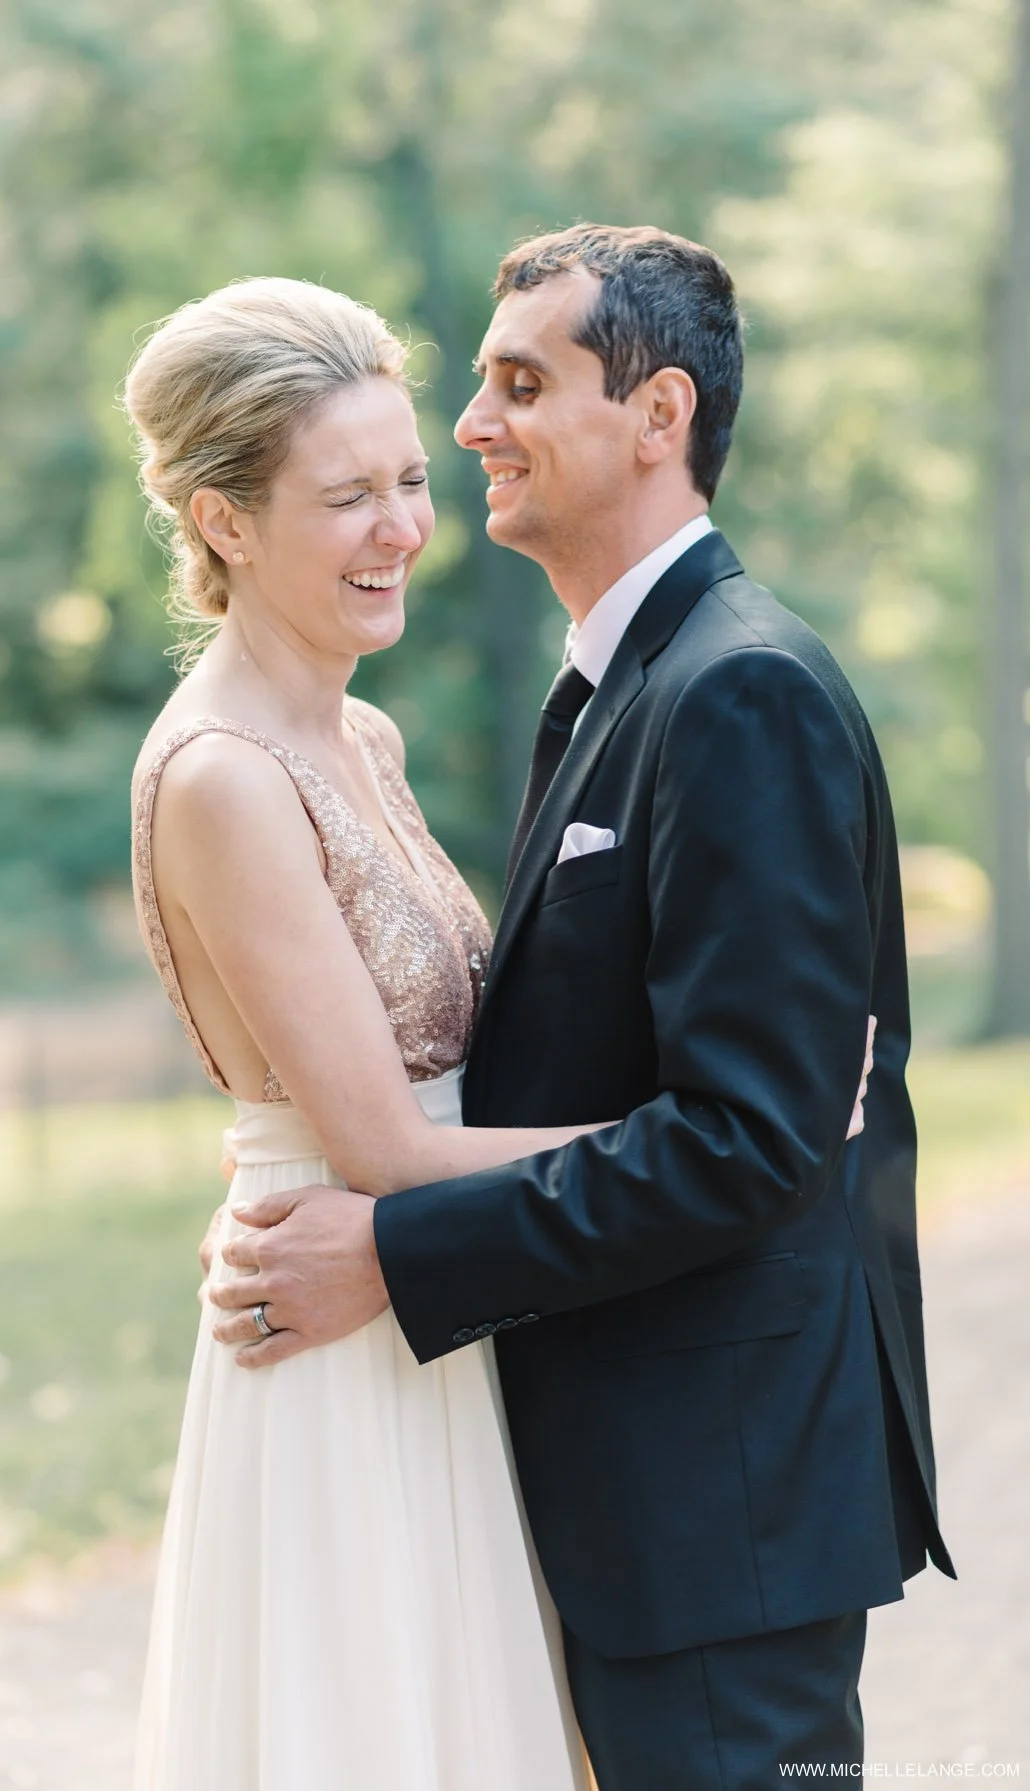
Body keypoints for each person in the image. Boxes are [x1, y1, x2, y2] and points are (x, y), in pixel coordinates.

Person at [209, 227, 948, 1790]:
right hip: (633, 1489)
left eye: (521, 383)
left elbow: (751, 1145)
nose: (470, 427)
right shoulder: (620, 684)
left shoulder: (739, 691)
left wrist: (395, 1253)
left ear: (655, 415)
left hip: (717, 1507)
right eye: (479, 385)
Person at [126, 274, 602, 1790]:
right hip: (338, 1339)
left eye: (408, 480)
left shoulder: (361, 735)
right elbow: (385, 1142)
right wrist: (720, 1136)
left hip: (429, 1309)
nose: (403, 526)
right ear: (222, 521)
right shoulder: (223, 777)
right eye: (347, 496)